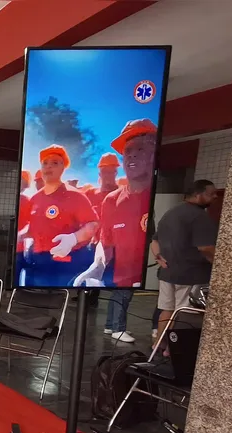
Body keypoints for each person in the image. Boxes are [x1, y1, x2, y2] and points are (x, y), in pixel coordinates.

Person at [73, 119, 160, 341]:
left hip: (146, 268)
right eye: (127, 151)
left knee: (124, 296)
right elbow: (107, 239)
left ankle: (114, 326)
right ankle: (115, 326)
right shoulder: (112, 200)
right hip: (122, 268)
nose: (131, 155)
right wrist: (99, 264)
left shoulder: (153, 197)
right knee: (121, 295)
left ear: (154, 152)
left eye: (140, 149)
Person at [17, 145, 98, 286]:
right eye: (45, 163)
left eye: (55, 163)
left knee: (62, 302)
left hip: (65, 263)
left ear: (63, 168)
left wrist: (73, 238)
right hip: (38, 262)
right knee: (36, 301)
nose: (49, 167)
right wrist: (22, 235)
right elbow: (34, 228)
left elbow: (93, 224)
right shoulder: (35, 198)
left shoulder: (75, 196)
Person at [153, 179, 219, 345]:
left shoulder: (170, 213)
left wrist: (158, 256)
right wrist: (220, 264)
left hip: (168, 272)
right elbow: (205, 247)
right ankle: (176, 351)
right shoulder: (199, 217)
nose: (215, 197)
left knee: (166, 310)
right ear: (198, 195)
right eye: (211, 194)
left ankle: (159, 345)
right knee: (184, 314)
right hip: (191, 274)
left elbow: (154, 241)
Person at [16, 170, 33, 284]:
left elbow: (31, 223)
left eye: (22, 180)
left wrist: (21, 234)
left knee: (17, 270)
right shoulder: (16, 199)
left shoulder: (27, 201)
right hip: (15, 246)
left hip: (20, 247)